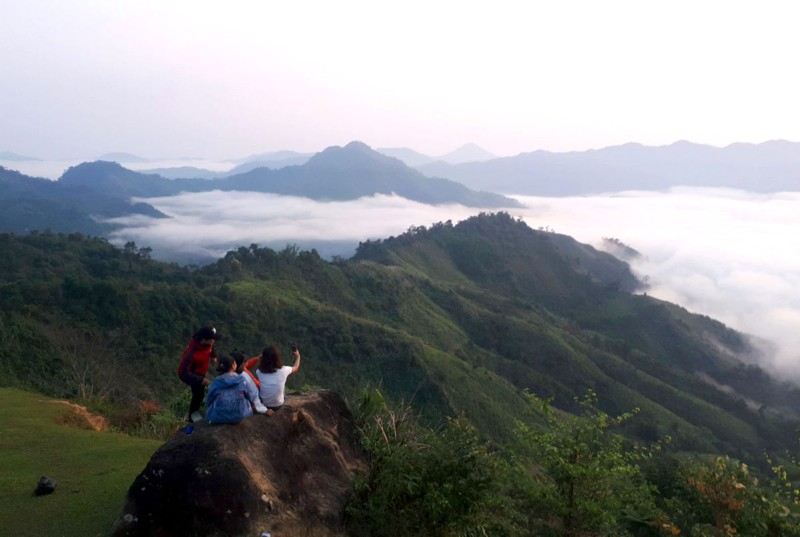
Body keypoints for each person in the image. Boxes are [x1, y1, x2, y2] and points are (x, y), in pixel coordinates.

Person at [177, 326, 220, 423]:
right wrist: (200, 380)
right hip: (192, 374)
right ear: (203, 340)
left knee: (199, 395)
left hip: (201, 372)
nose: (213, 341)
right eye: (211, 339)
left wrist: (213, 356)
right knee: (198, 394)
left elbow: (212, 347)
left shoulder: (206, 343)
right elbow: (182, 372)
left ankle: (194, 414)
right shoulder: (191, 353)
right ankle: (192, 417)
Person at [205, 355, 262, 424]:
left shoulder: (216, 383)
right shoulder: (242, 380)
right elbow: (249, 397)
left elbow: (208, 401)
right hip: (241, 415)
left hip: (219, 417)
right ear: (233, 366)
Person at [256, 344, 301, 412]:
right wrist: (298, 356)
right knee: (282, 390)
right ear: (277, 358)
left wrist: (260, 357)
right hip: (278, 405)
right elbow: (296, 367)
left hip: (265, 405)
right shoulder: (284, 370)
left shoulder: (258, 372)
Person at [230, 350, 270, 415]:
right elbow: (253, 398)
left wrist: (258, 358)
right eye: (244, 362)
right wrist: (264, 410)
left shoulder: (223, 378)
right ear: (235, 365)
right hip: (247, 407)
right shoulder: (243, 377)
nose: (246, 363)